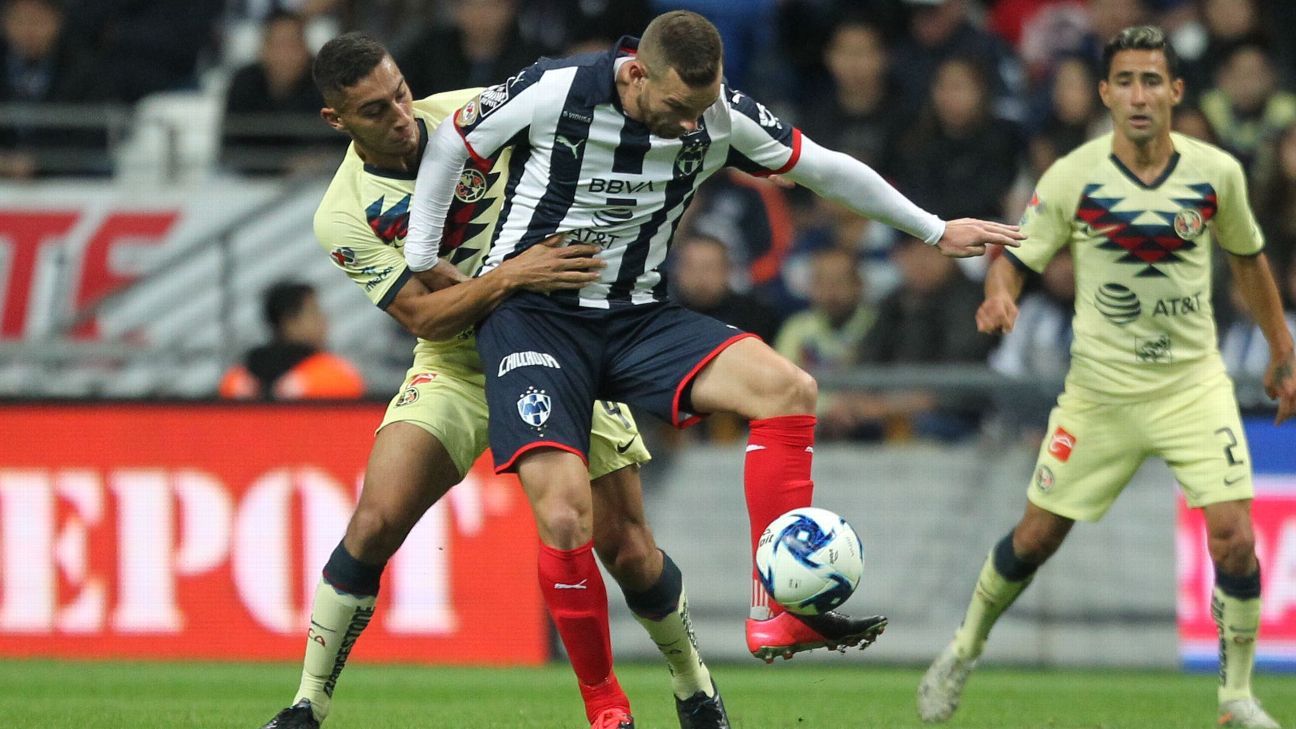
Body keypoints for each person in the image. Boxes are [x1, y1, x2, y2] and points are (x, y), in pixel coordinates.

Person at [405, 10, 1022, 726]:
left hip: (636, 317)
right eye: (675, 109)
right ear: (637, 74)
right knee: (569, 516)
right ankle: (605, 703)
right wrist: (424, 257)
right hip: (535, 319)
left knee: (789, 387)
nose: (688, 126)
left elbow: (822, 166)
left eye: (701, 109)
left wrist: (934, 228)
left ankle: (775, 609)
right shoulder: (556, 88)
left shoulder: (717, 115)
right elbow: (453, 139)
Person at [259, 34, 729, 729]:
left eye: (399, 92)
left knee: (628, 548)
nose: (399, 114)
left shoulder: (473, 115)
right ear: (338, 122)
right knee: (374, 520)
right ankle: (305, 705)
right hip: (455, 366)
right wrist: (512, 274)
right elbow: (423, 315)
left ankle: (695, 689)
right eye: (374, 109)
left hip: (558, 342)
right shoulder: (342, 214)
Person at [916, 26, 1296, 729]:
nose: (1139, 95)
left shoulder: (1217, 173)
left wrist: (1281, 349)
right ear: (1105, 93)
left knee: (1235, 536)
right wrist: (1000, 293)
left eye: (1153, 80)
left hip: (1191, 386)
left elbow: (1250, 261)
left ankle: (1236, 696)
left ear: (1177, 93)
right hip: (1099, 394)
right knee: (1035, 537)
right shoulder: (1072, 175)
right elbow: (1014, 255)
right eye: (1125, 81)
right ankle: (964, 647)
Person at [218, 280, 365, 400]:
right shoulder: (334, 375)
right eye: (314, 313)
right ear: (288, 322)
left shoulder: (237, 378)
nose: (324, 320)